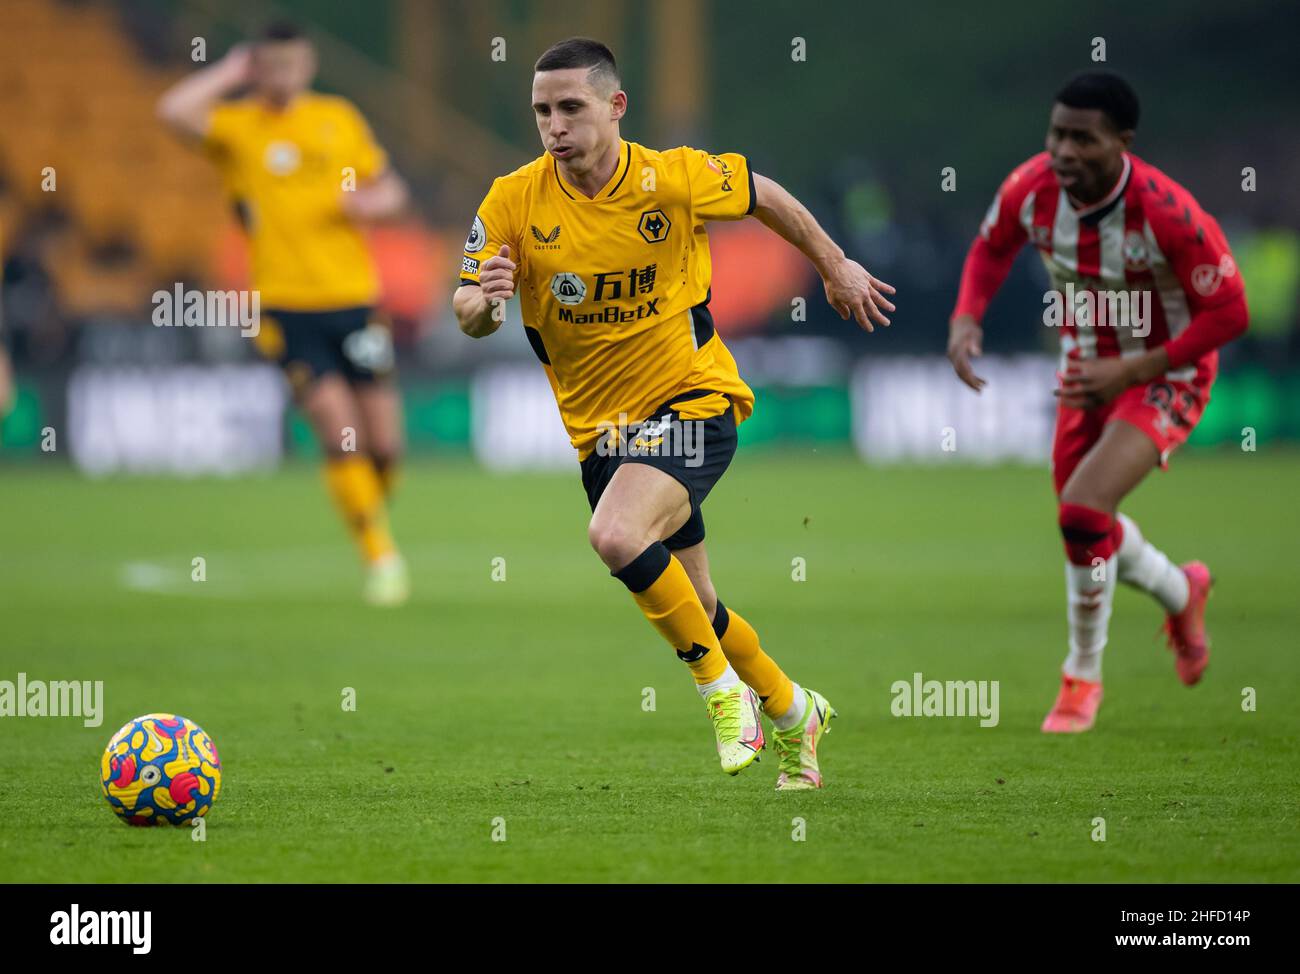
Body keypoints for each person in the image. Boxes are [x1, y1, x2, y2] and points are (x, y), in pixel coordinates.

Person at [453, 38, 895, 789]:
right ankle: (794, 712)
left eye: (571, 108)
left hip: (693, 398)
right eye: (541, 111)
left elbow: (767, 195)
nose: (554, 126)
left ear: (615, 107)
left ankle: (723, 696)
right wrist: (487, 304)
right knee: (701, 602)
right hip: (603, 435)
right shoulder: (511, 200)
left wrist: (834, 263)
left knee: (615, 534)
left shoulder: (674, 177)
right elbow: (466, 307)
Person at [947, 72, 1249, 732]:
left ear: (1122, 142)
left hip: (1166, 371)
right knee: (1085, 524)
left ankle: (1081, 677)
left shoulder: (1168, 213)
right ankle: (1181, 590)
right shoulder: (1030, 189)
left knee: (1084, 509)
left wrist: (1138, 367)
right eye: (1057, 133)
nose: (1063, 150)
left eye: (1082, 138)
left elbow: (1230, 311)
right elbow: (990, 248)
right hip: (1086, 370)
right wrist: (968, 316)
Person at [158, 21, 412, 605]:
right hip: (286, 310)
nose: (283, 76)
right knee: (338, 430)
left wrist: (372, 202)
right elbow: (171, 110)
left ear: (309, 65)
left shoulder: (338, 118)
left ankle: (366, 516)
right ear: (258, 68)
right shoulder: (238, 127)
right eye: (270, 66)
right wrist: (228, 71)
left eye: (292, 65)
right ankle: (381, 557)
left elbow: (392, 190)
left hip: (355, 303)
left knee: (386, 446)